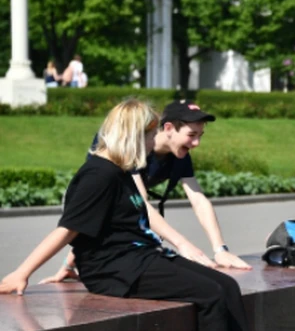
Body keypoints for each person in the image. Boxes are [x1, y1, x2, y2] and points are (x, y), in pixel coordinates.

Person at [0, 99, 289, 331]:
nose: (154, 144)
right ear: (134, 136)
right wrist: (22, 273)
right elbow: (69, 229)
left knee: (228, 287)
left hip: (138, 256)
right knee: (210, 294)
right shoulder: (99, 174)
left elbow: (108, 224)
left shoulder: (120, 170)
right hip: (115, 269)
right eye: (150, 137)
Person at [45, 100, 251, 284]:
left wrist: (220, 249)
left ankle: (69, 266)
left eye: (200, 136)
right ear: (168, 128)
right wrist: (183, 244)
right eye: (191, 135)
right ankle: (70, 265)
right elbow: (139, 205)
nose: (196, 143)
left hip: (113, 210)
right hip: (93, 196)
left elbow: (198, 199)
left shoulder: (178, 154)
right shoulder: (135, 145)